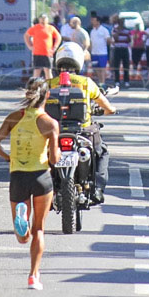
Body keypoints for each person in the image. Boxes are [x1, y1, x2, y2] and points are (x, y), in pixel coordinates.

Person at [0, 78, 60, 290]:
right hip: (41, 177)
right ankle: (33, 276)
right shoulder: (49, 123)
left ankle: (22, 224)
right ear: (47, 96)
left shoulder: (13, 117)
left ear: (27, 94)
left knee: (22, 237)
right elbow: (55, 160)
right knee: (40, 229)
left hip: (18, 176)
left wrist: (8, 157)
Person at [47, 43, 117, 202]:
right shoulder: (86, 82)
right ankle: (98, 189)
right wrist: (110, 109)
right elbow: (105, 105)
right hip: (83, 131)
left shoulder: (50, 84)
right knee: (102, 151)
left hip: (55, 132)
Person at [24, 14, 62, 80]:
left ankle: (49, 87)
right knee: (37, 71)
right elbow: (26, 35)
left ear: (47, 20)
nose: (43, 21)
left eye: (44, 19)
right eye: (42, 19)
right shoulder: (35, 28)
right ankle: (35, 87)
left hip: (48, 53)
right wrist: (29, 46)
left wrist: (55, 47)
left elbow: (58, 37)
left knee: (48, 71)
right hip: (37, 53)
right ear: (39, 20)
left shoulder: (51, 28)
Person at [109, 18, 132, 87]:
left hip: (124, 48)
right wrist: (119, 31)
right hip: (117, 48)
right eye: (121, 22)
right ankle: (117, 81)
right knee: (116, 65)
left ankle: (126, 80)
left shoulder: (127, 30)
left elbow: (129, 39)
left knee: (126, 65)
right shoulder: (115, 29)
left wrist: (127, 36)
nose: (122, 24)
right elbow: (115, 38)